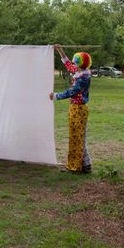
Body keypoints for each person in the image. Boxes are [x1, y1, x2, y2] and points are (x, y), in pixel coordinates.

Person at [50, 44, 92, 174]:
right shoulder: (82, 72)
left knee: (75, 137)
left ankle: (74, 167)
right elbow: (68, 64)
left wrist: (56, 96)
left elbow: (72, 92)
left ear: (80, 64)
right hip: (80, 108)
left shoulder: (83, 78)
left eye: (76, 63)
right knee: (80, 137)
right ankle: (86, 164)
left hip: (78, 109)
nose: (74, 65)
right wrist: (60, 50)